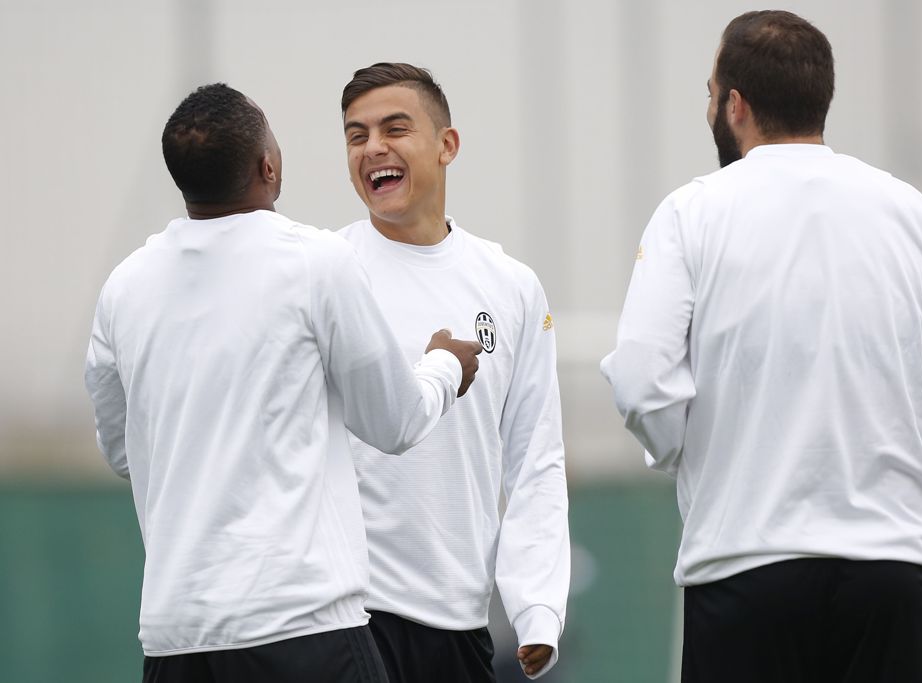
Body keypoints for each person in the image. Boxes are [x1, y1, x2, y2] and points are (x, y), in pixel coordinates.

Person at [601, 10, 922, 683]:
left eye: (709, 93)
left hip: (744, 564)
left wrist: (692, 453)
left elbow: (641, 379)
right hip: (891, 567)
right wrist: (869, 447)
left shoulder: (691, 212)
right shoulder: (910, 212)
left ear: (735, 105)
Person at [84, 82, 482, 683]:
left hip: (177, 640)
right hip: (305, 630)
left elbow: (122, 450)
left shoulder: (124, 287)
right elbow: (395, 424)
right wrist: (445, 366)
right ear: (268, 166)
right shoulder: (315, 262)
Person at [337, 63, 570, 681]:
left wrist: (538, 608)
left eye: (394, 128)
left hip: (458, 624)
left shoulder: (512, 286)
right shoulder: (326, 271)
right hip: (343, 618)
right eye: (356, 136)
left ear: (447, 145)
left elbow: (535, 459)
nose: (373, 148)